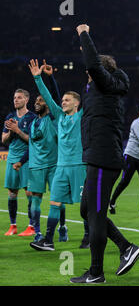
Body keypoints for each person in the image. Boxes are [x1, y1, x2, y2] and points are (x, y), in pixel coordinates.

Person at [71, 24, 139, 284]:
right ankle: (126, 247)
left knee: (96, 215)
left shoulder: (105, 84)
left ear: (99, 72)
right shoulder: (104, 88)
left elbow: (93, 64)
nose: (87, 75)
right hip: (98, 156)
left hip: (103, 158)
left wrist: (84, 33)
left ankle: (96, 272)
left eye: (91, 71)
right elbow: (94, 64)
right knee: (86, 210)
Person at [27, 59, 89, 251]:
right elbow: (48, 95)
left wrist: (91, 80)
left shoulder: (81, 116)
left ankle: (88, 237)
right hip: (61, 167)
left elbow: (92, 97)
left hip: (79, 166)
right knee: (54, 202)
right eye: (62, 100)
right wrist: (38, 79)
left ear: (77, 104)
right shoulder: (59, 116)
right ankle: (48, 240)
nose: (63, 102)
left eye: (67, 100)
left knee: (85, 207)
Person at [13, 85, 59, 243]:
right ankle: (38, 232)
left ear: (48, 103)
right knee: (35, 200)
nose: (36, 103)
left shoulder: (53, 119)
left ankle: (63, 226)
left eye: (41, 100)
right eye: (36, 101)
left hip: (53, 166)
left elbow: (54, 97)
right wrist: (21, 161)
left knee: (57, 199)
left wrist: (49, 79)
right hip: (36, 167)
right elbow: (32, 146)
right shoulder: (33, 124)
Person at [2, 89, 37, 236]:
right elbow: (4, 140)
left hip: (27, 158)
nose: (16, 100)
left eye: (19, 98)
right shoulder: (10, 117)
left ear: (26, 100)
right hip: (11, 157)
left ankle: (31, 226)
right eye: (15, 97)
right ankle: (13, 226)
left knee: (29, 192)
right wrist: (10, 130)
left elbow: (33, 141)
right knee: (12, 193)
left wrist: (17, 130)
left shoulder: (32, 117)